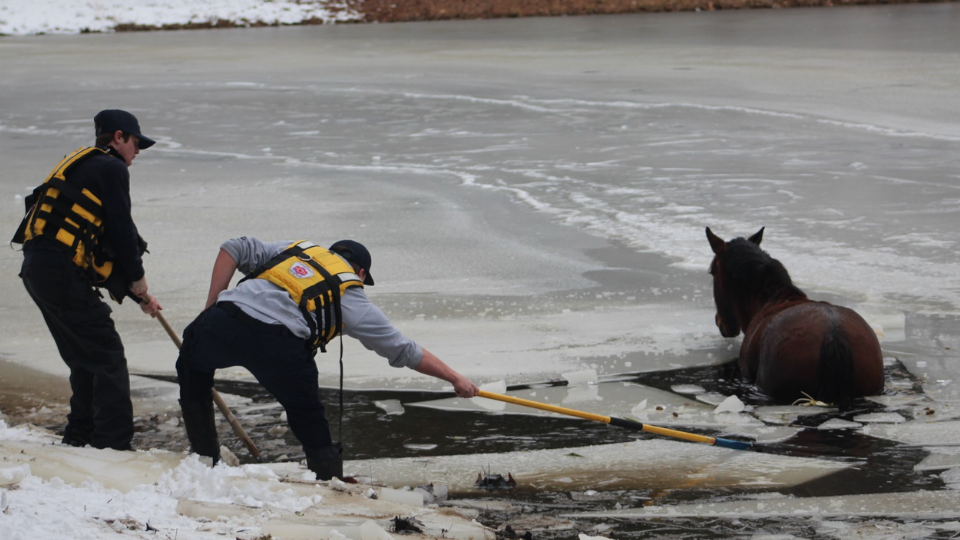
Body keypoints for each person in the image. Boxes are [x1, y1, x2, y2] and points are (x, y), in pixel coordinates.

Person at [175, 237, 479, 480]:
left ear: (331, 252)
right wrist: (455, 378)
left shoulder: (294, 250)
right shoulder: (350, 291)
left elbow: (234, 247)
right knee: (308, 416)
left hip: (224, 320)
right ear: (361, 274)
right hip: (279, 346)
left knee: (191, 364)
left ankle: (204, 460)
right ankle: (329, 484)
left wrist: (211, 304)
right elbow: (403, 349)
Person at [12, 109, 163, 451]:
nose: (138, 152)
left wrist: (139, 296)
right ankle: (113, 445)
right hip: (58, 270)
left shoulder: (82, 164)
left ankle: (82, 434)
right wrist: (138, 280)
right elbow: (122, 232)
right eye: (136, 143)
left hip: (39, 268)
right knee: (107, 354)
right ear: (119, 136)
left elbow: (98, 241)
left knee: (85, 356)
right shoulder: (111, 168)